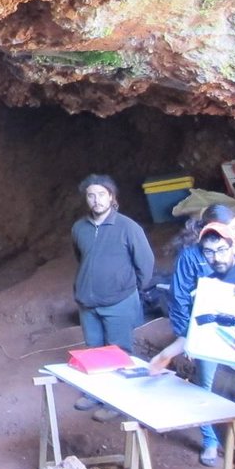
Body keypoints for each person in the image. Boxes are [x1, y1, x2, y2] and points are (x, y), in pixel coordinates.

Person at [150, 212, 235, 469]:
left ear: (234, 245)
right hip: (226, 371)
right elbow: (199, 329)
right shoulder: (209, 284)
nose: (216, 257)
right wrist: (167, 353)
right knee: (233, 439)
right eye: (209, 251)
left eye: (222, 249)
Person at [71, 173, 155, 421]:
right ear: (86, 199)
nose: (96, 200)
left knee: (119, 352)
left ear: (112, 197)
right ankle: (97, 394)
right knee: (94, 350)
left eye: (101, 194)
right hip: (88, 303)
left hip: (119, 301)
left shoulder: (128, 227)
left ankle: (116, 402)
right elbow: (81, 258)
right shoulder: (79, 229)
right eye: (90, 195)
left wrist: (129, 289)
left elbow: (146, 264)